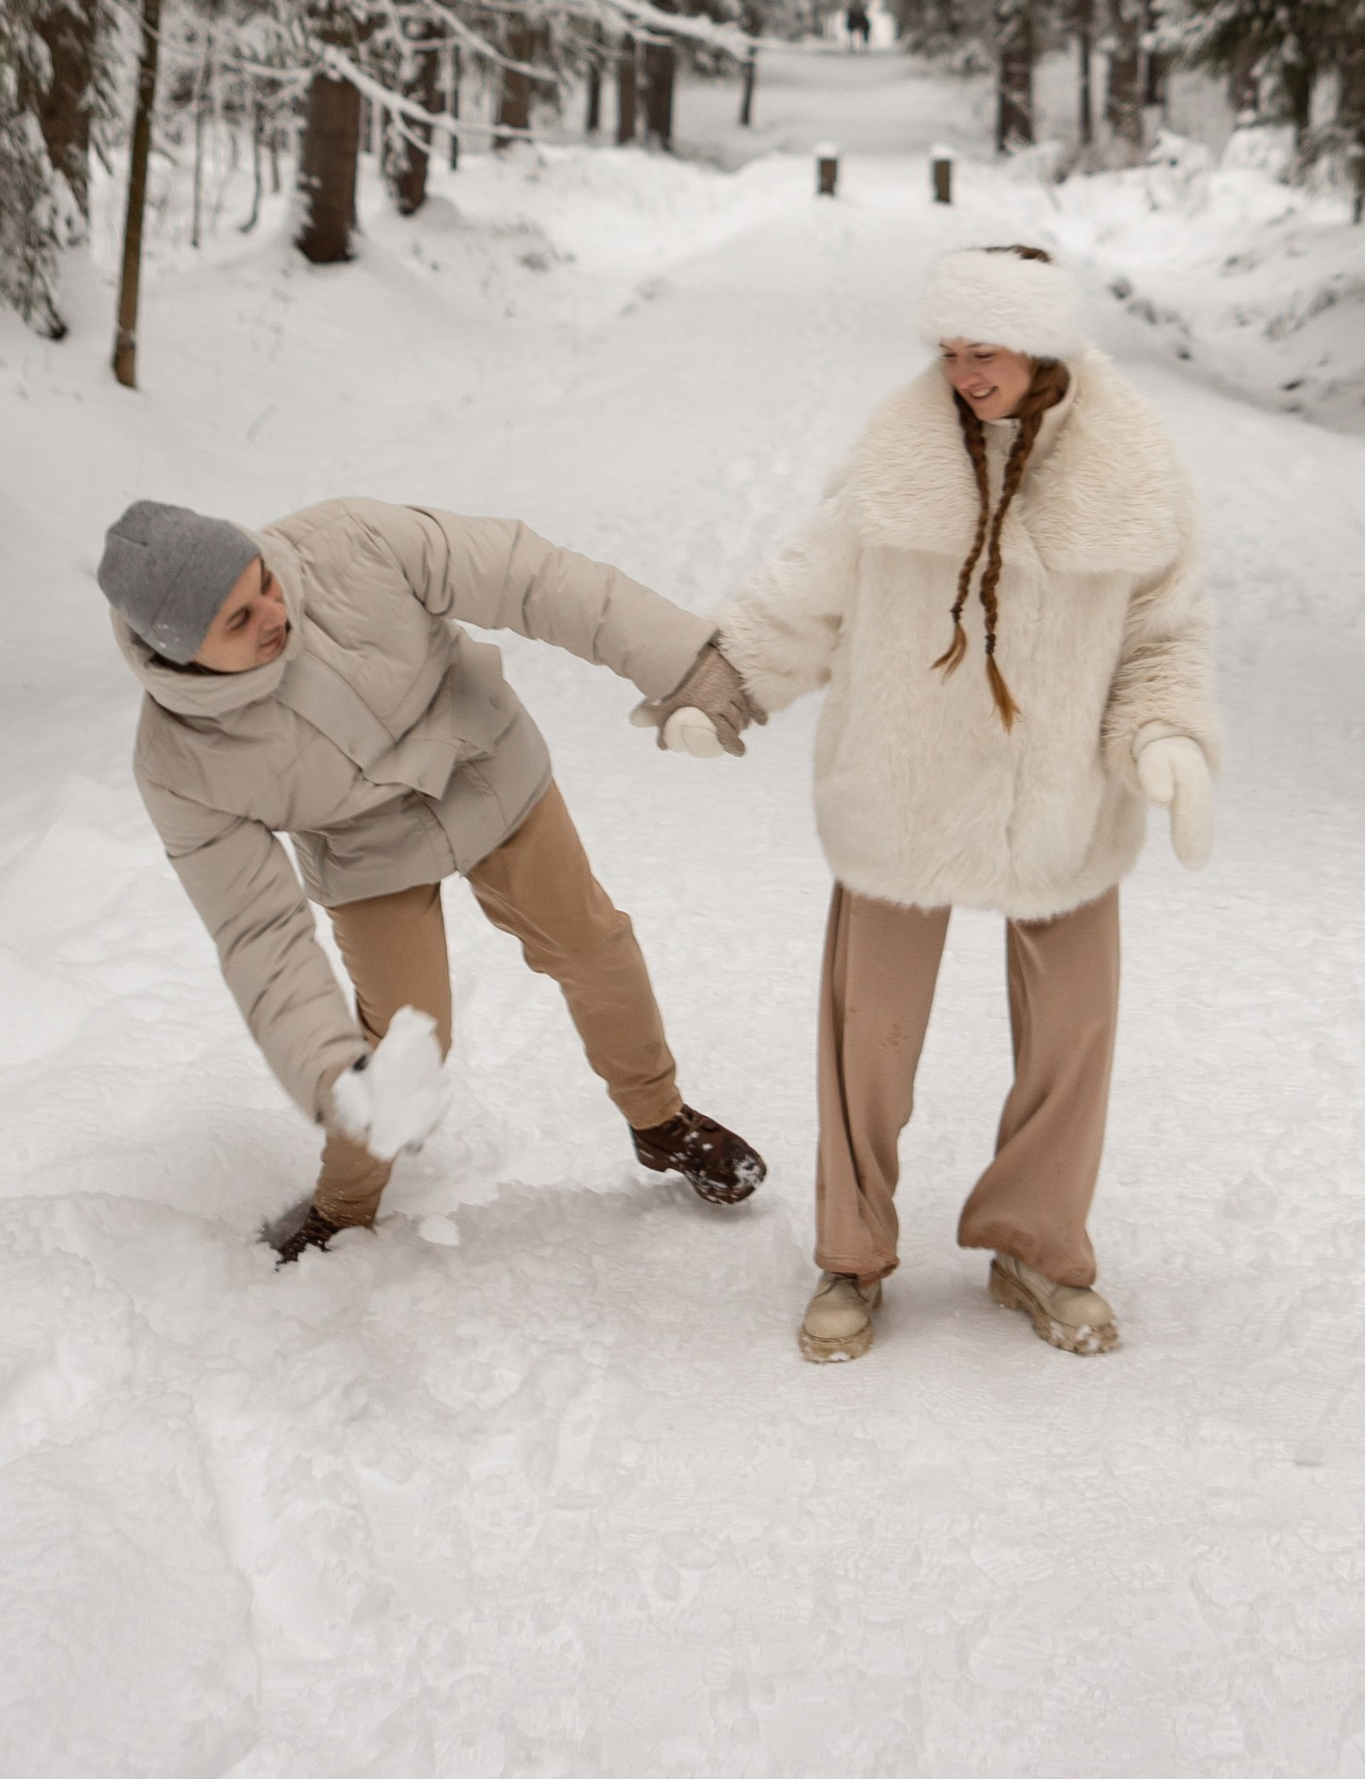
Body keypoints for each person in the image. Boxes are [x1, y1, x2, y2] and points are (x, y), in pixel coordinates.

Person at [634, 243, 1217, 1362]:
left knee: (1074, 1031)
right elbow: (808, 584)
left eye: (983, 350)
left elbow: (1164, 633)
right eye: (949, 351)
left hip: (1062, 797)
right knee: (872, 1031)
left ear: (1039, 346)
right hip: (903, 785)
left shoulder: (1135, 463)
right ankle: (851, 1256)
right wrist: (727, 686)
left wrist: (1165, 737)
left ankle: (1037, 1248)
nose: (962, 372)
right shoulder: (899, 450)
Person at [98, 492, 765, 1260]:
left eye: (265, 586)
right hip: (364, 850)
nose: (272, 613)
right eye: (237, 623)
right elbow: (258, 934)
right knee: (401, 1047)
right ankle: (344, 1207)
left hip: (487, 769)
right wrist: (329, 1075)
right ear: (177, 651)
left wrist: (686, 661)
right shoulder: (180, 763)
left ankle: (661, 1122)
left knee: (593, 947)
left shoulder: (352, 542)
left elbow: (532, 578)